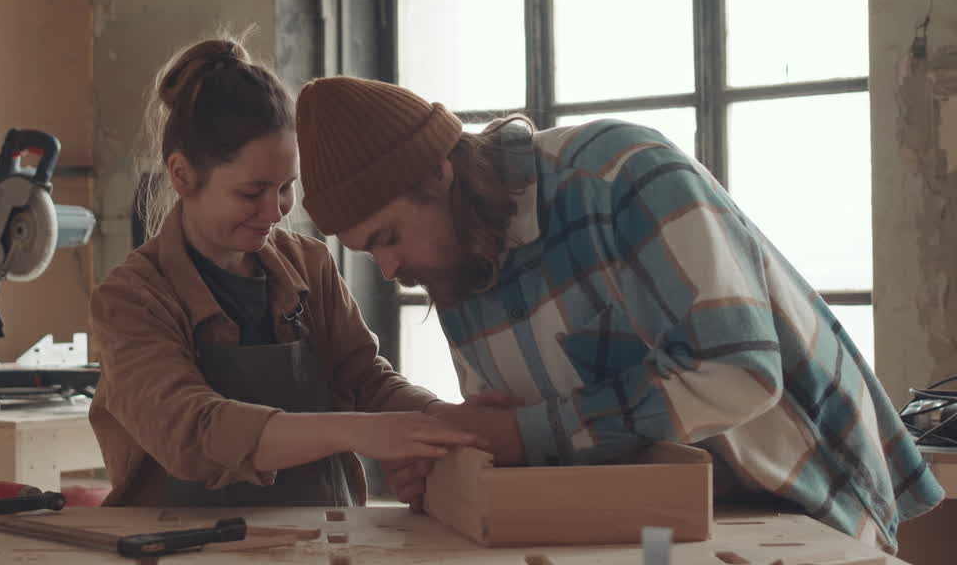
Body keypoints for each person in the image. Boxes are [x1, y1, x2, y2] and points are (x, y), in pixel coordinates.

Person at [293, 75, 944, 551]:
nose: (388, 269)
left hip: (808, 507)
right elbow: (560, 443)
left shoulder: (621, 175)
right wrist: (453, 465)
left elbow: (740, 373)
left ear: (437, 175)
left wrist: (524, 436)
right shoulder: (454, 269)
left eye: (385, 238)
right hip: (666, 523)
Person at [87, 41, 481, 507]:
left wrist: (446, 421)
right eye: (252, 192)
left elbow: (365, 380)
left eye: (286, 188)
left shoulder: (309, 265)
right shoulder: (131, 297)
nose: (275, 211)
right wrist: (354, 430)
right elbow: (191, 431)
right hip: (180, 545)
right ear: (181, 175)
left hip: (320, 536)